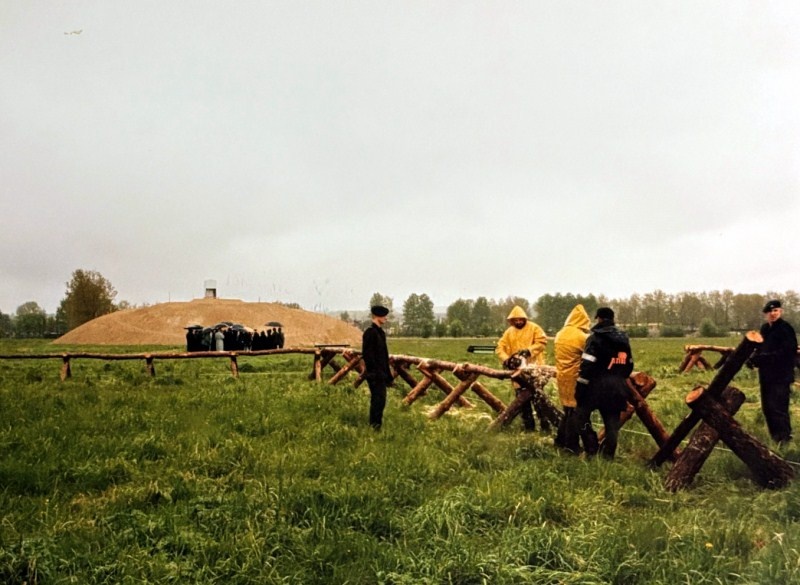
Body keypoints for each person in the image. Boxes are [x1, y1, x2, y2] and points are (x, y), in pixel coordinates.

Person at [574, 307, 634, 459]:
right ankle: (608, 457)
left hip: (595, 387)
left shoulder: (594, 338)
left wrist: (580, 387)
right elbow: (630, 364)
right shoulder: (623, 339)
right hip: (617, 386)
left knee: (580, 416)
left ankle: (591, 448)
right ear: (613, 319)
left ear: (599, 319)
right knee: (612, 423)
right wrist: (619, 377)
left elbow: (587, 364)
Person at [751, 300, 798, 444]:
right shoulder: (765, 329)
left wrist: (766, 358)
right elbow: (760, 348)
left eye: (775, 311)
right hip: (766, 376)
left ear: (780, 311)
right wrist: (754, 359)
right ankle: (775, 438)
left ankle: (785, 440)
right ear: (766, 314)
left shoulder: (785, 328)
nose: (773, 314)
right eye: (770, 312)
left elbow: (788, 351)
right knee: (768, 409)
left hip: (780, 375)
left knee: (778, 409)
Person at [496, 305, 548, 432]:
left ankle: (545, 427)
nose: (518, 322)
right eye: (516, 320)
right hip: (517, 372)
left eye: (520, 319)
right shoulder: (509, 332)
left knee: (539, 401)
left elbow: (542, 342)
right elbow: (499, 348)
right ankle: (529, 428)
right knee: (523, 402)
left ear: (525, 318)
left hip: (535, 369)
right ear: (512, 320)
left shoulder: (534, 328)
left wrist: (529, 351)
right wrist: (506, 359)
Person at [553, 304, 591, 453]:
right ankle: (572, 445)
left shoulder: (560, 333)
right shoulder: (581, 337)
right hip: (576, 377)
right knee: (576, 412)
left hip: (562, 376)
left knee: (567, 410)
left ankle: (560, 440)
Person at [362, 305, 392, 430]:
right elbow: (367, 355)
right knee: (377, 400)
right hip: (375, 374)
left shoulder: (380, 333)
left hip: (382, 374)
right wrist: (374, 373)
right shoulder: (370, 332)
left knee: (381, 401)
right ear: (376, 316)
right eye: (383, 315)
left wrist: (388, 374)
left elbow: (384, 356)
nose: (386, 318)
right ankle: (374, 426)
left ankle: (376, 425)